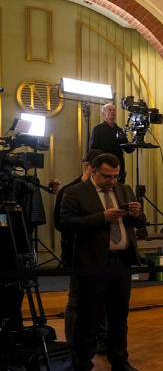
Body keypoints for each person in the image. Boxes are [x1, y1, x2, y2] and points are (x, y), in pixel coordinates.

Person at [58, 153, 145, 371]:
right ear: (93, 171)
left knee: (120, 316)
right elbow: (66, 224)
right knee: (89, 319)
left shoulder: (124, 190)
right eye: (107, 176)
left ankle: (120, 361)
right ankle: (83, 369)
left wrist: (137, 214)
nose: (112, 181)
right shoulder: (75, 192)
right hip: (92, 264)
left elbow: (140, 223)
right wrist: (102, 217)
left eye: (116, 176)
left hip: (121, 263)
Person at [54, 148, 104, 349]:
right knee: (75, 298)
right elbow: (61, 223)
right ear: (88, 167)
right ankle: (72, 343)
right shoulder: (70, 190)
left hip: (101, 252)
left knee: (101, 298)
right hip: (77, 252)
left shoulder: (105, 191)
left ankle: (101, 340)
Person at [89, 103, 129, 183]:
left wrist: (137, 138)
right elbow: (92, 150)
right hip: (104, 167)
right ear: (103, 113)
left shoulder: (120, 130)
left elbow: (128, 149)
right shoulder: (98, 129)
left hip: (118, 168)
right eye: (110, 110)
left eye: (114, 110)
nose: (113, 112)